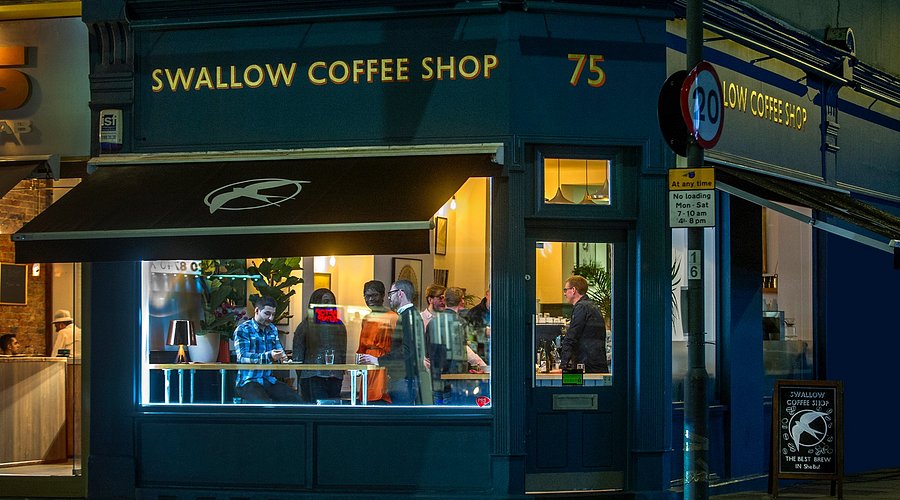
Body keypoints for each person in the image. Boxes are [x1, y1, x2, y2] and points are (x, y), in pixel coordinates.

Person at [357, 279, 431, 405]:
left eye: (391, 293)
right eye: (367, 296)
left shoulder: (407, 316)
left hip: (401, 376)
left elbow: (408, 349)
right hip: (394, 373)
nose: (389, 298)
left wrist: (379, 360)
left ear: (400, 293)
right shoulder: (407, 315)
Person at [233, 296, 303, 403]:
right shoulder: (243, 329)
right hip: (248, 381)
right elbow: (242, 357)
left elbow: (280, 352)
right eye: (267, 313)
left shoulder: (272, 329)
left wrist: (285, 360)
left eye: (273, 315)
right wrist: (269, 356)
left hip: (268, 380)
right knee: (264, 406)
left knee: (296, 401)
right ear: (257, 310)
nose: (270, 318)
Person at [426, 287, 486, 404]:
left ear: (445, 300)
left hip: (436, 379)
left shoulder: (432, 322)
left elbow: (428, 352)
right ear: (461, 301)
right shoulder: (461, 323)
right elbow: (462, 352)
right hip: (455, 381)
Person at [292, 288, 347, 403]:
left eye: (332, 301)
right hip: (312, 375)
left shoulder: (339, 325)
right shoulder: (305, 326)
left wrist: (341, 371)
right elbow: (298, 358)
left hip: (335, 375)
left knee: (332, 408)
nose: (330, 304)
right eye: (326, 301)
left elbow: (342, 352)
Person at [355, 280, 397, 403]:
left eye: (374, 295)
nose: (371, 299)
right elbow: (361, 346)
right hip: (367, 363)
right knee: (366, 397)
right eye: (367, 296)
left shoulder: (392, 317)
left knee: (380, 397)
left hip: (382, 362)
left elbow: (395, 346)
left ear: (383, 296)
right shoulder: (366, 318)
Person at [559, 275, 608, 373]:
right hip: (596, 361)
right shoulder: (592, 306)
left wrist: (563, 364)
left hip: (586, 364)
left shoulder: (581, 307)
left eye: (565, 290)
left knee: (574, 386)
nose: (564, 294)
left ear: (573, 290)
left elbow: (572, 336)